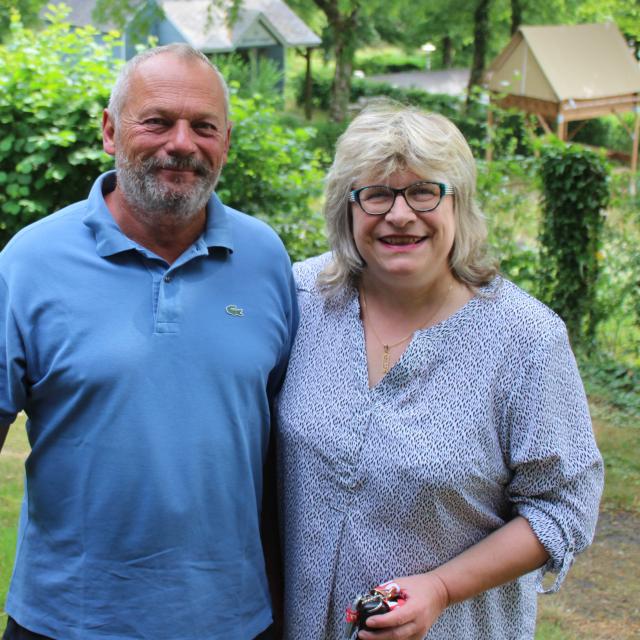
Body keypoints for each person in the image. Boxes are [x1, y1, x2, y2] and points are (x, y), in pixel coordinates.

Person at [0, 43, 297, 640]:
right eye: (157, 121)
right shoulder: (28, 262)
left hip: (234, 620)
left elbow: (284, 435)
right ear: (111, 131)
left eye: (204, 126)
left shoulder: (265, 259)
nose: (182, 143)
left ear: (226, 142)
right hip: (69, 620)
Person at [276, 103, 603, 640]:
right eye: (376, 194)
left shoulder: (524, 338)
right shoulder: (300, 298)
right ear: (346, 207)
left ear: (459, 204)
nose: (400, 215)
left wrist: (443, 588)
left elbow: (563, 507)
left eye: (424, 191)